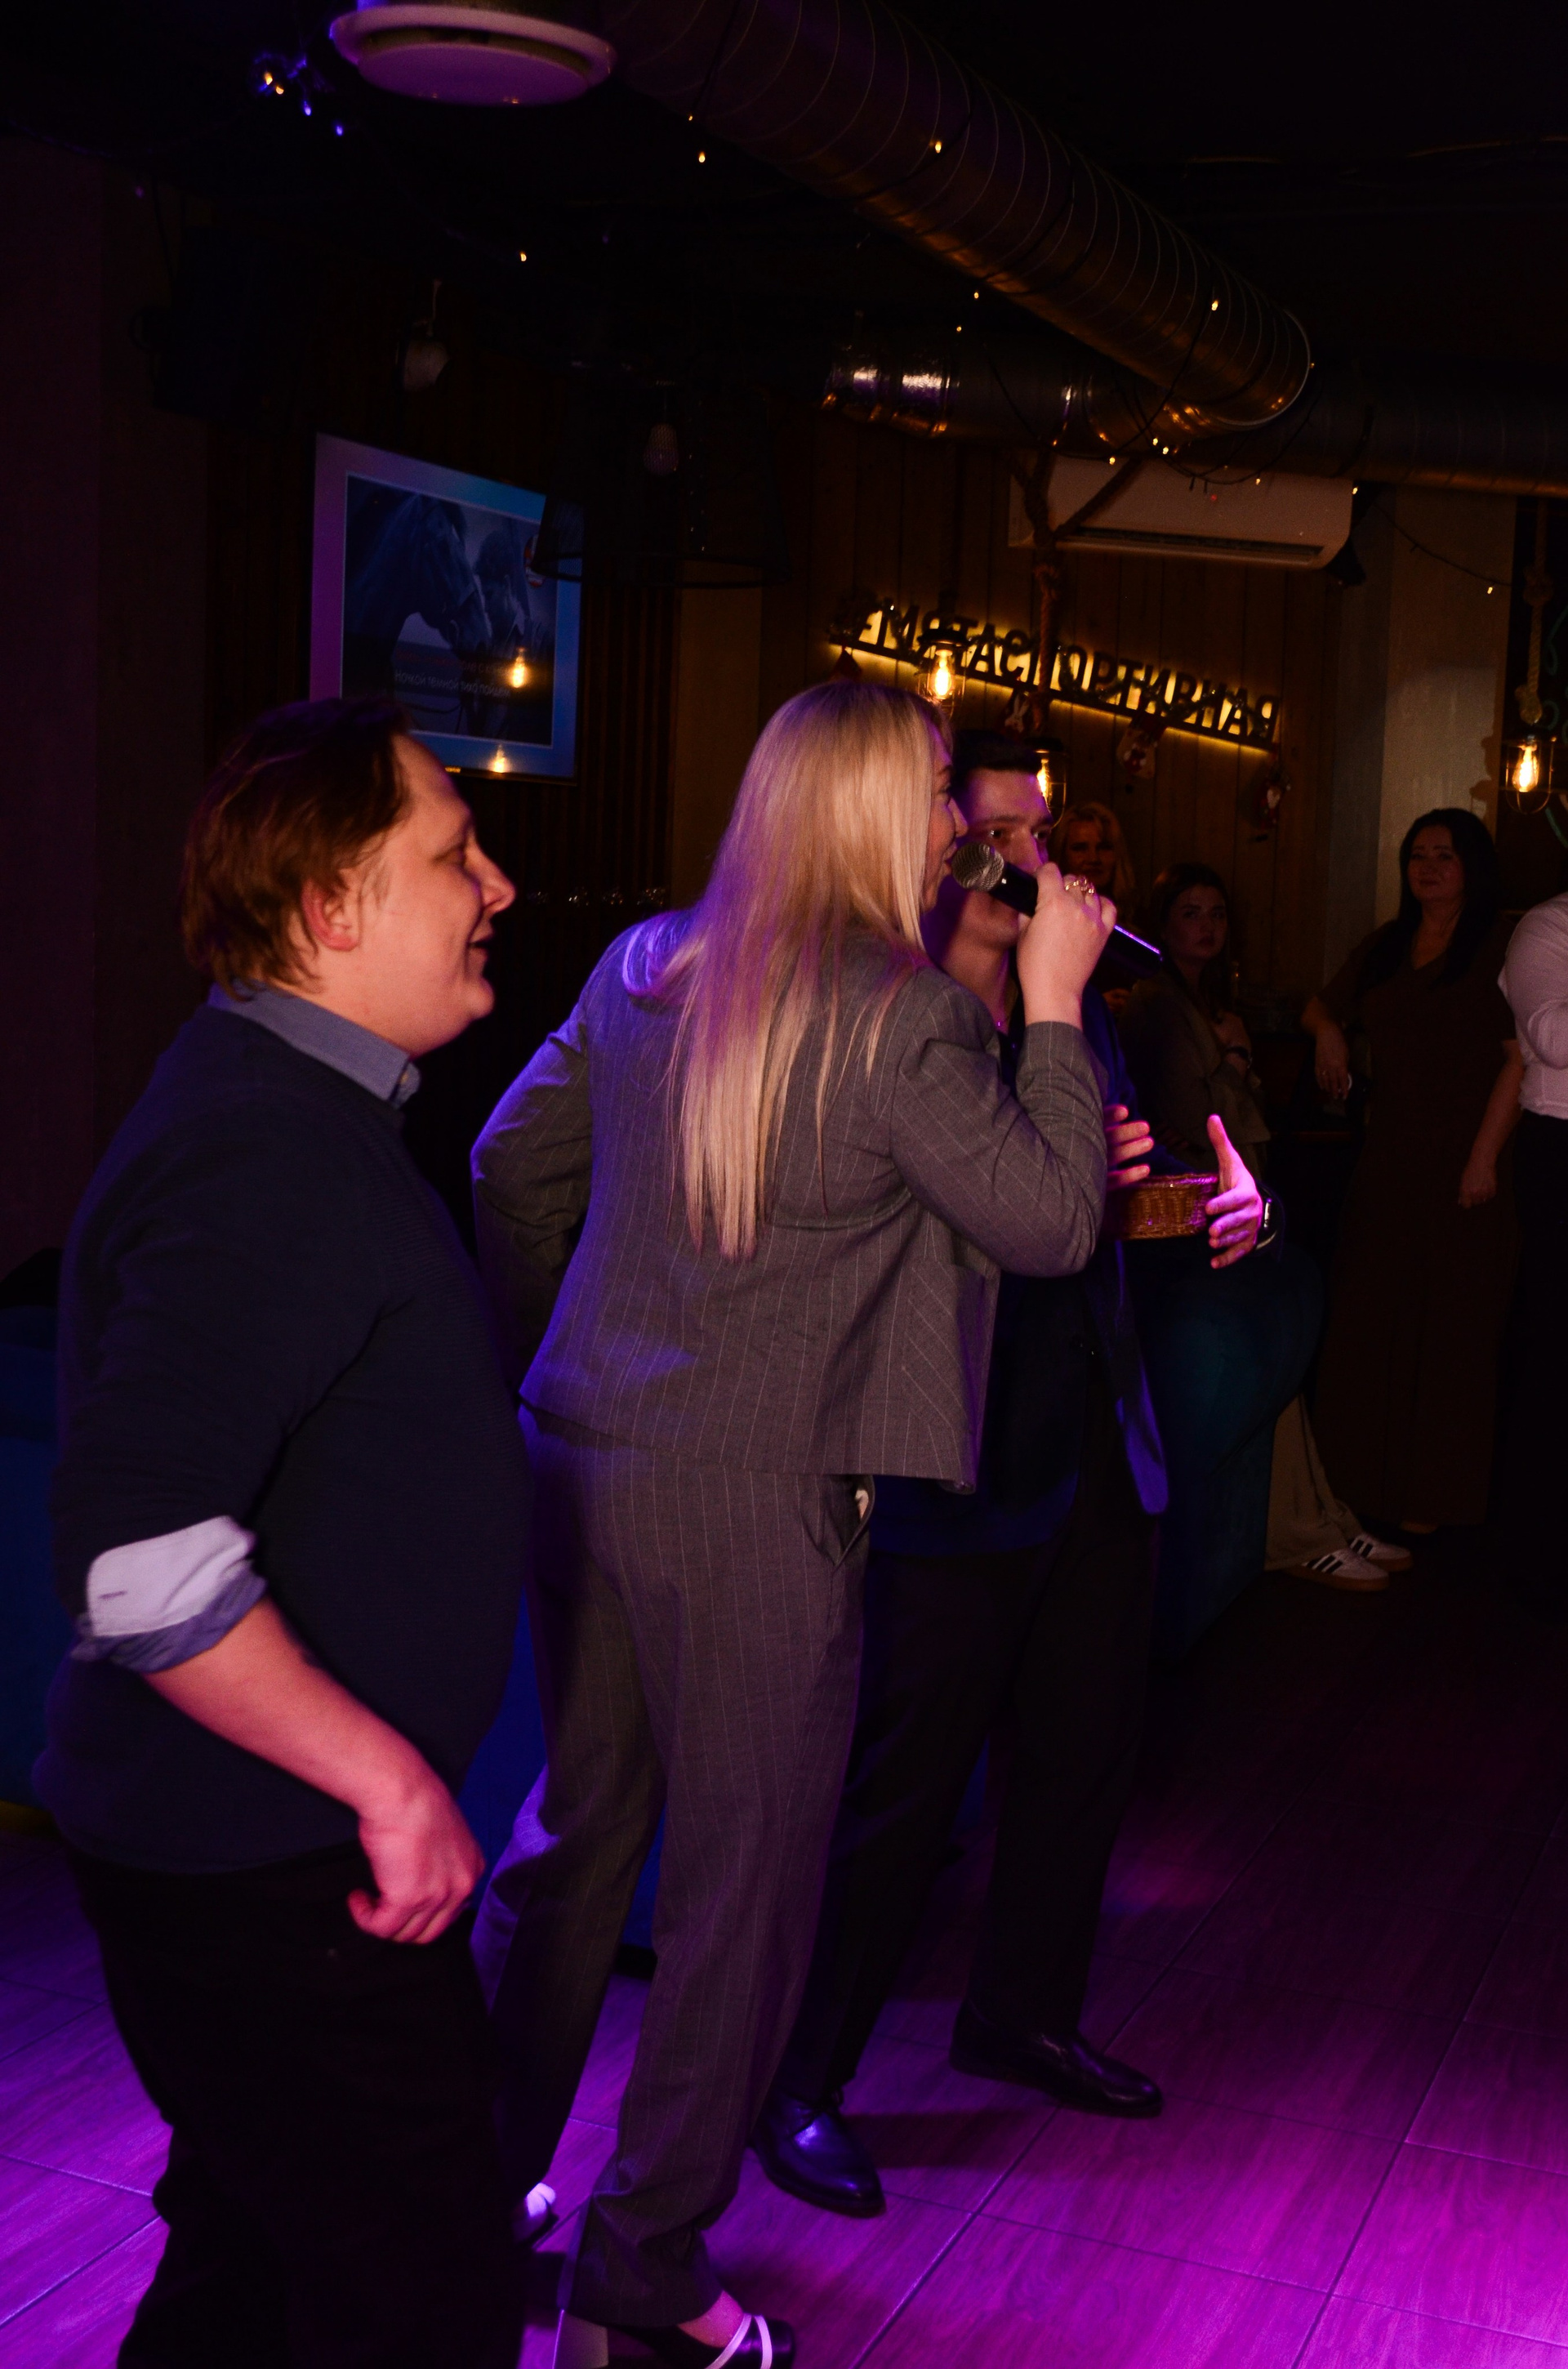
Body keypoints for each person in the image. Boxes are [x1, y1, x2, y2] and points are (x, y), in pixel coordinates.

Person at [468, 681, 1113, 2369]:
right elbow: (1055, 1223)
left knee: (576, 1833)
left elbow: (508, 1169)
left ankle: (469, 2190)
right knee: (745, 1889)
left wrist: (581, 1358)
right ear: (869, 810)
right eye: (935, 792)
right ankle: (642, 2274)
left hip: (587, 1454)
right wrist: (1055, 1003)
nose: (957, 824)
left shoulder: (645, 964)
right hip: (756, 1498)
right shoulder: (909, 1019)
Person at [36, 697, 532, 2369]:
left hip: (251, 1865)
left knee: (253, 2265)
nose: (498, 886)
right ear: (330, 909)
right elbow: (135, 1555)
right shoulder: (270, 1148)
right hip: (275, 1874)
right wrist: (388, 1782)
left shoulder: (284, 1100)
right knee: (422, 2300)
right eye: (454, 856)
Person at [747, 734, 1262, 2222]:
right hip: (949, 1458)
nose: (1041, 862)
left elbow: (1095, 1216)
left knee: (1086, 1752)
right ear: (941, 856)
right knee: (902, 1792)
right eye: (1007, 834)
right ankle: (799, 2075)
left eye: (1047, 836)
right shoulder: (892, 1020)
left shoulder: (1079, 1015)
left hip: (1088, 1436)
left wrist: (1222, 1207)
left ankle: (1021, 2015)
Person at [1122, 863, 1405, 1590]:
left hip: (1240, 1199)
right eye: (1191, 912)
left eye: (1217, 912)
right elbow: (1193, 1119)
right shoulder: (1158, 1003)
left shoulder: (1211, 1001)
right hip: (1194, 1210)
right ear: (1164, 922)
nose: (1207, 925)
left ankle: (1322, 1517)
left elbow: (1252, 1099)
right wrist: (1238, 1057)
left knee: (1283, 1341)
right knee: (1266, 1340)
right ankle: (1303, 1530)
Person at [1305, 810, 1521, 1535]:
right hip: (1391, 1153)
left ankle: (1434, 1500)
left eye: (1444, 856)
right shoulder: (1390, 942)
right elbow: (1318, 1006)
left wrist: (1483, 1159)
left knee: (1452, 1331)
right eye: (1418, 855)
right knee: (1369, 1321)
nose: (1428, 868)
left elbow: (1520, 1061)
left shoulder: (1499, 945)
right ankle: (1355, 1486)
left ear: (1473, 868)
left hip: (1468, 1156)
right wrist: (1329, 1033)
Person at [1499, 886, 1568, 1613]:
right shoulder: (1548, 928)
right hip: (1559, 1147)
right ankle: (1537, 1558)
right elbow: (1553, 1037)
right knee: (1556, 1351)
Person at [1049, 797, 1140, 1011]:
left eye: (1104, 847)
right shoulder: (1049, 921)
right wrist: (1096, 1005)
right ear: (1062, 854)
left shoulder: (1137, 920)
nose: (1093, 858)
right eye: (1080, 848)